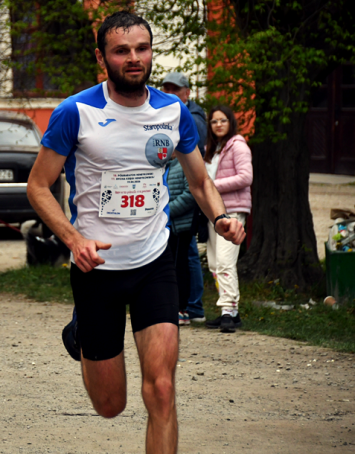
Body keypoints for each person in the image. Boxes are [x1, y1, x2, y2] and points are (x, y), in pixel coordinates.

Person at [26, 11, 245, 453]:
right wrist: (73, 239)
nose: (133, 58)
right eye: (121, 51)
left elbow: (201, 181)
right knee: (110, 405)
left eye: (141, 49)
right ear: (102, 57)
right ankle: (82, 333)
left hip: (154, 261)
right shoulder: (76, 112)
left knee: (161, 389)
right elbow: (38, 186)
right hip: (97, 267)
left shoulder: (172, 111)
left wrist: (220, 217)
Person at [161, 72, 207, 323]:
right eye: (166, 89)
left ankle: (192, 307)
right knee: (181, 258)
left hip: (183, 213)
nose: (170, 94)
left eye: (175, 89)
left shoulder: (193, 118)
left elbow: (195, 179)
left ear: (187, 93)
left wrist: (168, 209)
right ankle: (186, 306)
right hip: (173, 215)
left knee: (187, 258)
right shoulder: (164, 113)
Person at [203, 105, 253, 333]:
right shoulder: (212, 149)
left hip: (232, 211)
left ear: (230, 122)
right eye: (214, 121)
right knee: (214, 263)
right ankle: (232, 313)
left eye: (223, 120)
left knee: (225, 262)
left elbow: (245, 177)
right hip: (214, 212)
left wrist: (212, 186)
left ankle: (227, 310)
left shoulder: (238, 145)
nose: (219, 125)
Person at [167, 153, 197, 325]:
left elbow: (190, 194)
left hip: (180, 226)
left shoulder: (185, 163)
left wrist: (166, 210)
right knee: (169, 267)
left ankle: (181, 308)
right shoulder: (164, 165)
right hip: (166, 226)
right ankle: (172, 307)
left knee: (180, 266)